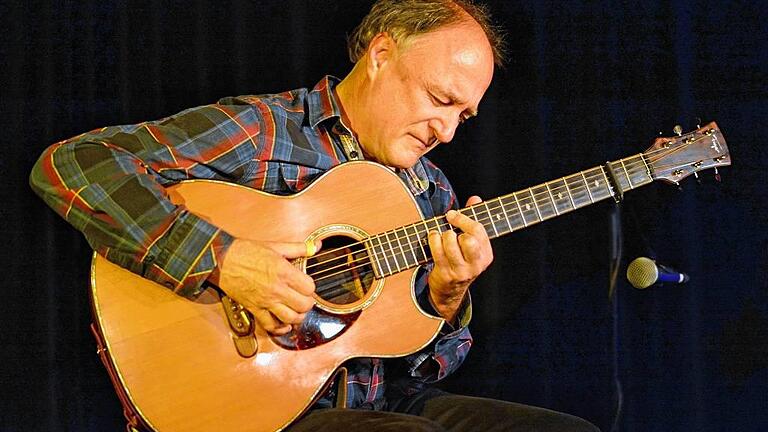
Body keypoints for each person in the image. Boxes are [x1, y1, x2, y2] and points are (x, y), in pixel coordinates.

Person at [30, 1, 600, 431]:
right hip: (261, 408)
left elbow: (421, 372)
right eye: (439, 99)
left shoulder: (433, 193)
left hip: (380, 408)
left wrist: (447, 298)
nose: (447, 131)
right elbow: (76, 164)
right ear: (381, 55)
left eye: (464, 116)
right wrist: (222, 259)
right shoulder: (265, 131)